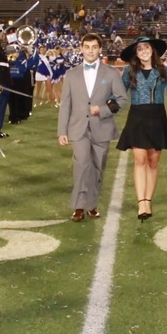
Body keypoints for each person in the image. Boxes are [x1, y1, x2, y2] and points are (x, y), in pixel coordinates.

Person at [57, 33, 127, 222]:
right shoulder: (71, 74)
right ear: (81, 49)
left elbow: (121, 99)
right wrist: (62, 131)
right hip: (78, 128)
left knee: (97, 167)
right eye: (87, 47)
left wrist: (102, 109)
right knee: (81, 164)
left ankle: (92, 205)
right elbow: (66, 104)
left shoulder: (111, 73)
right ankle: (79, 206)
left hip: (102, 127)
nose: (90, 50)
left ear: (99, 49)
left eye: (94, 47)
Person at [116, 36, 167, 221]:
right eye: (140, 49)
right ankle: (141, 202)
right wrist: (111, 103)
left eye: (147, 48)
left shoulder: (163, 70)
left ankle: (148, 200)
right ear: (136, 54)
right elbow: (120, 90)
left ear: (152, 50)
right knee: (140, 159)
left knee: (153, 161)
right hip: (137, 116)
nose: (144, 51)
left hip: (157, 117)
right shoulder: (129, 71)